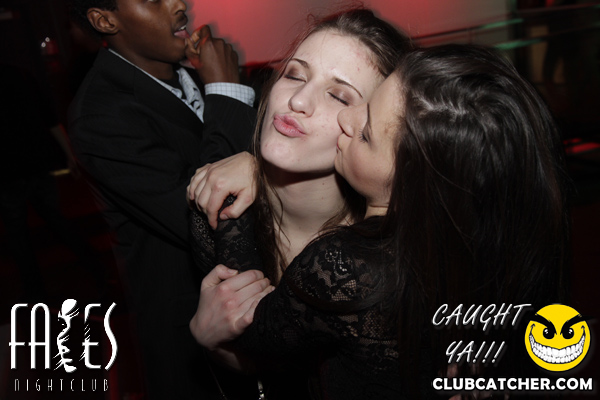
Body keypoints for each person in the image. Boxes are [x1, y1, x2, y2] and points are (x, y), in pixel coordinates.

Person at [190, 44, 571, 399]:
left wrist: (239, 185)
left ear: (411, 185)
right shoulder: (484, 249)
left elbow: (250, 331)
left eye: (367, 132)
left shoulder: (348, 266)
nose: (348, 119)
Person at [67, 0, 257, 398]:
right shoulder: (100, 113)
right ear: (105, 20)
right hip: (189, 333)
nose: (179, 4)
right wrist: (227, 91)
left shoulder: (196, 74)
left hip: (256, 306)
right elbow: (211, 216)